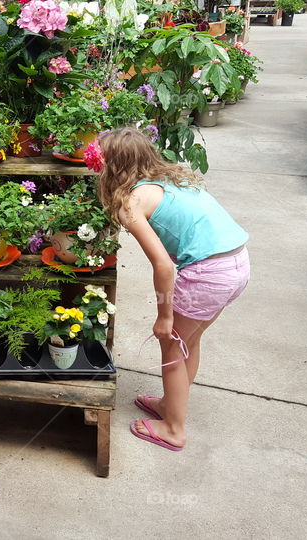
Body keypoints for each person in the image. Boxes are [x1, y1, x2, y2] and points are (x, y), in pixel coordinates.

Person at [93, 127, 250, 451]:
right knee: (189, 342)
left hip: (209, 273)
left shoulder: (131, 203)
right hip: (238, 262)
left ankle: (173, 429)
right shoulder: (171, 179)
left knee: (172, 347)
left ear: (110, 167)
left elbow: (163, 266)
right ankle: (170, 405)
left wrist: (164, 316)